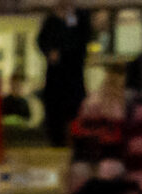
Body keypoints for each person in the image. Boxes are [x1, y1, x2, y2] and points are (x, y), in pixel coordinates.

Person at [38, 0, 96, 146]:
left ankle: (75, 140)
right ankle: (57, 141)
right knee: (55, 113)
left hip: (73, 76)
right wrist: (49, 51)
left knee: (74, 111)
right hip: (56, 78)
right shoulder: (52, 20)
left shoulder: (76, 17)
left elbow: (80, 38)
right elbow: (42, 40)